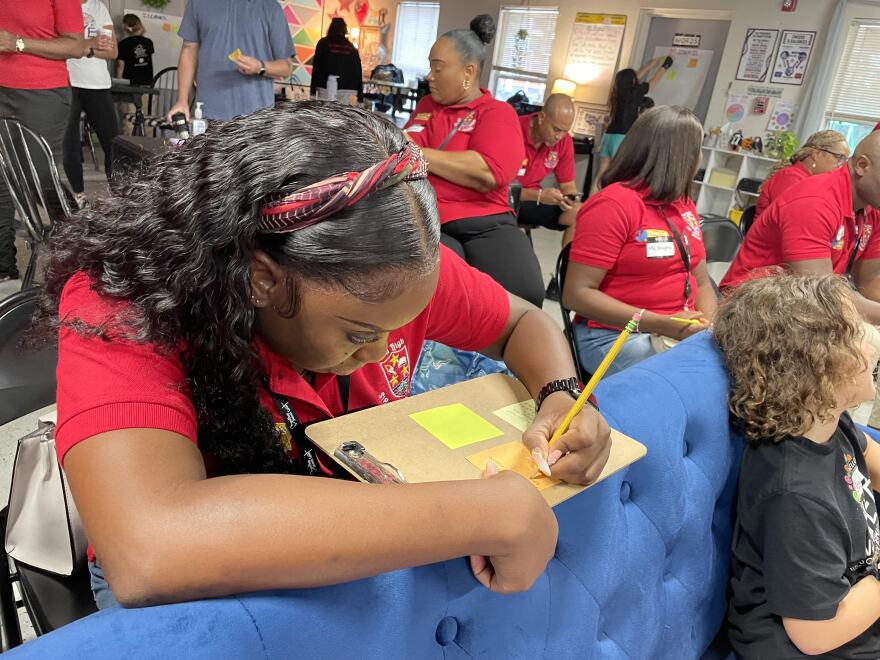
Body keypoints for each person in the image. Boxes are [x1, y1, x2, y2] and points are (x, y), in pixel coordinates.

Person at [32, 102, 611, 609]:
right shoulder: (126, 303)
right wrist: (482, 514)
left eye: (405, 325)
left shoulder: (394, 273)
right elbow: (148, 549)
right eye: (359, 332)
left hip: (359, 518)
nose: (386, 350)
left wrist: (561, 394)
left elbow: (523, 321)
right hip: (204, 572)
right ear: (261, 278)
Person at [714, 274, 880, 658]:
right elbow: (815, 635)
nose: (870, 341)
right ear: (814, 372)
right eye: (853, 335)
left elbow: (872, 459)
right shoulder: (795, 495)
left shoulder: (827, 423)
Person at [562, 106, 716, 377]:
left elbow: (701, 281)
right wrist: (663, 324)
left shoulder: (683, 205)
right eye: (698, 149)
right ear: (679, 156)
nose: (701, 158)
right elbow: (577, 294)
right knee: (700, 377)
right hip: (614, 336)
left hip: (675, 331)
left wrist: (710, 326)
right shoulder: (613, 205)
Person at [404, 15, 544, 308]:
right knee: (443, 295)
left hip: (486, 221)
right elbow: (399, 151)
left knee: (525, 295)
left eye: (437, 67)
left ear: (468, 71)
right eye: (430, 66)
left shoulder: (496, 112)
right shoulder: (427, 106)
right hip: (428, 217)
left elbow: (489, 172)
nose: (430, 75)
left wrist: (423, 154)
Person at [720, 132, 880, 325]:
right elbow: (822, 295)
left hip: (801, 307)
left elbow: (869, 283)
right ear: (862, 166)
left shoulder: (872, 210)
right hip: (752, 309)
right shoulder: (815, 201)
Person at [0, 0, 85, 281]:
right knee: (1, 186)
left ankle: (81, 260)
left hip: (41, 93)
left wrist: (18, 43)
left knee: (41, 182)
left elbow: (77, 46)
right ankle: (4, 272)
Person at [165, 0, 293, 122]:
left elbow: (286, 67)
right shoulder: (198, 3)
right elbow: (189, 50)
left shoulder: (271, 7)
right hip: (208, 114)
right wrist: (182, 100)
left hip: (257, 119)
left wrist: (260, 67)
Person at [63, 0, 119, 208]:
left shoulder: (99, 7)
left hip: (98, 84)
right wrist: (91, 44)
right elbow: (59, 47)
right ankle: (78, 197)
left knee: (114, 143)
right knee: (69, 145)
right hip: (68, 83)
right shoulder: (62, 5)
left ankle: (120, 196)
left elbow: (112, 52)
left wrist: (83, 48)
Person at [591, 57, 673, 195]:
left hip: (609, 136)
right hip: (622, 138)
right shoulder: (635, 93)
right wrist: (665, 66)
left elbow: (630, 80)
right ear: (633, 82)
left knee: (601, 174)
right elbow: (653, 82)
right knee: (619, 176)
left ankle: (588, 204)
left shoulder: (617, 94)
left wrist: (648, 66)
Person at [515, 93, 581, 249]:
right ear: (542, 117)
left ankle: (565, 272)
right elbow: (499, 188)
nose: (560, 136)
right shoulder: (514, 129)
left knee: (580, 213)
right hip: (503, 200)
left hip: (533, 201)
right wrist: (539, 196)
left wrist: (570, 199)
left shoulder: (564, 141)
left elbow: (568, 185)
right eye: (556, 129)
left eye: (565, 131)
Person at [755, 129, 850, 216]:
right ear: (816, 155)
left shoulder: (811, 181)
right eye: (839, 158)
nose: (841, 166)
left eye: (845, 161)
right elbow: (797, 218)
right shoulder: (789, 177)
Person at [310, 18, 363, 103]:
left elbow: (316, 67)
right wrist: (360, 96)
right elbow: (358, 71)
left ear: (331, 27)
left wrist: (312, 90)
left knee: (325, 113)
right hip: (347, 88)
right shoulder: (351, 47)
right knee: (341, 114)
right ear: (344, 29)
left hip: (325, 86)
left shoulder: (323, 43)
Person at [115, 14, 153, 86]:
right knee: (145, 97)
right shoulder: (148, 42)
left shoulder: (122, 44)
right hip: (146, 81)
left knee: (129, 97)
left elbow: (120, 65)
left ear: (125, 27)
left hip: (129, 81)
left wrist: (119, 80)